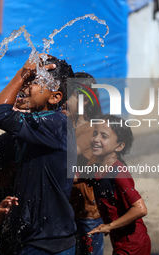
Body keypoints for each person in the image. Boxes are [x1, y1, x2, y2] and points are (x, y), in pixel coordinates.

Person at [0, 54, 77, 254]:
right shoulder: (32, 130)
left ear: (55, 97)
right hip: (27, 236)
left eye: (34, 81)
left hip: (48, 243)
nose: (24, 86)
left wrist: (21, 74)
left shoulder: (55, 125)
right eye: (27, 80)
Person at [87, 115, 151, 254]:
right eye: (95, 133)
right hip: (121, 243)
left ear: (119, 146)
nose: (96, 139)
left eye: (104, 136)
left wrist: (108, 226)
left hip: (133, 245)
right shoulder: (96, 169)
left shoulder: (119, 173)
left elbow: (140, 209)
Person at [67, 72, 104, 255]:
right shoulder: (71, 125)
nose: (63, 100)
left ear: (85, 101)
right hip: (71, 208)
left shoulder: (91, 129)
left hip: (88, 212)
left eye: (69, 96)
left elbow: (68, 153)